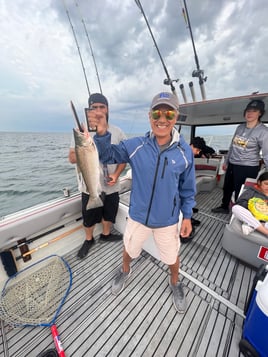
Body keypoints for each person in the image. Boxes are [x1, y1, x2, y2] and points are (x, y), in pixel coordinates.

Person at [90, 91, 196, 313]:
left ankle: (175, 283)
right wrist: (101, 133)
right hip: (138, 216)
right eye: (157, 112)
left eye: (168, 113)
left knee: (172, 257)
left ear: (176, 117)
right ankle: (125, 270)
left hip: (167, 220)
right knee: (129, 248)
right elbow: (107, 156)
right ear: (150, 116)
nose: (162, 119)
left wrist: (187, 216)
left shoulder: (185, 152)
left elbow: (187, 188)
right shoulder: (136, 145)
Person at [69, 93, 127, 259]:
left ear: (107, 109)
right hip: (90, 186)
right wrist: (84, 149)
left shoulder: (117, 132)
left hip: (111, 184)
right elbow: (71, 158)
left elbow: (123, 158)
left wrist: (116, 174)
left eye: (102, 107)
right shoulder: (82, 132)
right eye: (94, 107)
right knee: (89, 216)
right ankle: (89, 239)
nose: (99, 110)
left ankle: (106, 234)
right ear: (88, 110)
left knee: (110, 213)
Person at [212, 99, 268, 214]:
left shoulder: (263, 131)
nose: (250, 113)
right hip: (233, 164)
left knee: (241, 192)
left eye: (254, 111)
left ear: (260, 113)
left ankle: (239, 214)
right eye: (248, 110)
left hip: (247, 167)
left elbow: (267, 153)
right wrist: (227, 162)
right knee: (227, 187)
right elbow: (232, 146)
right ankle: (224, 207)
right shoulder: (240, 127)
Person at [232, 172, 268, 236]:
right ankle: (264, 231)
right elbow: (240, 202)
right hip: (251, 215)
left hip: (266, 221)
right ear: (259, 182)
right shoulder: (251, 191)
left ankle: (253, 225)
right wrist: (254, 206)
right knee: (236, 208)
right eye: (266, 184)